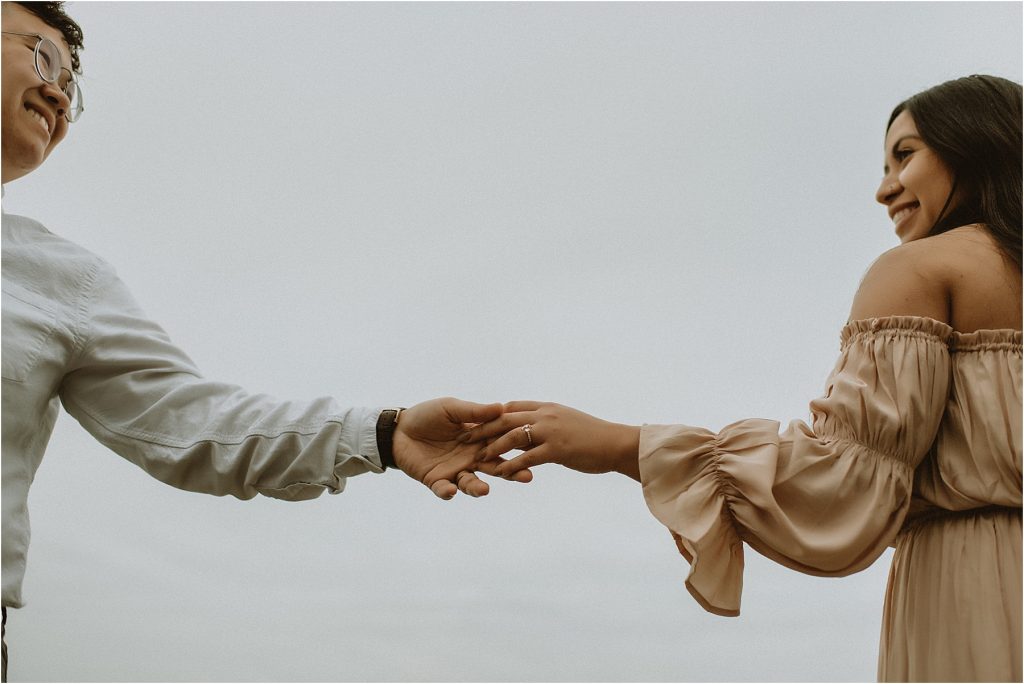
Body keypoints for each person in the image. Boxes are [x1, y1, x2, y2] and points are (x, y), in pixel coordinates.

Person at [0, 2, 527, 679]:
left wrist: (382, 434)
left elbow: (192, 424)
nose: (58, 95)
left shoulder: (61, 280)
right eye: (41, 57)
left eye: (71, 85)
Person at [473, 75, 1023, 682]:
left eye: (905, 155)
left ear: (975, 144)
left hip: (980, 585)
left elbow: (847, 477)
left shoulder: (919, 271)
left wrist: (621, 446)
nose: (883, 188)